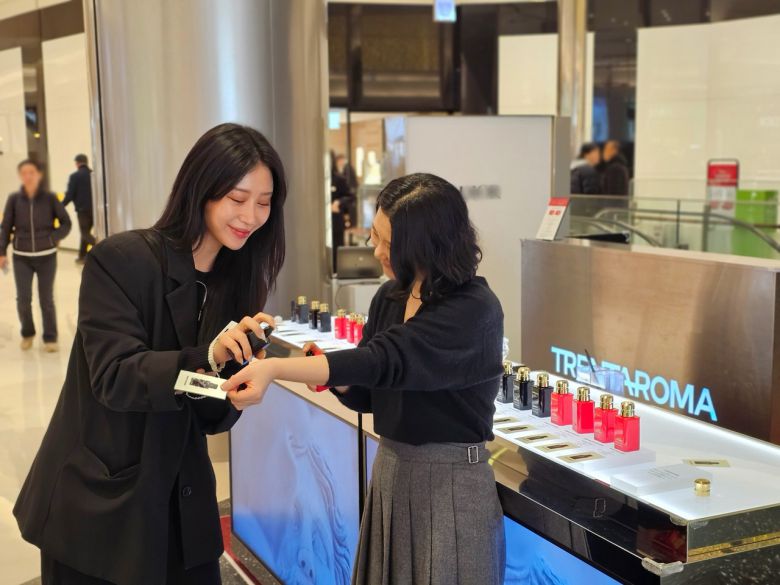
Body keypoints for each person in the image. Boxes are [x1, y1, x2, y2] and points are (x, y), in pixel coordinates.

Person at [14, 123, 287, 585]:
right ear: (201, 190)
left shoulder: (237, 282)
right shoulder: (122, 260)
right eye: (237, 199)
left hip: (185, 507)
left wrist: (235, 384)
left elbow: (208, 416)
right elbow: (115, 376)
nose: (251, 216)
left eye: (264, 203)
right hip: (102, 506)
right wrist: (207, 357)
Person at [224, 173, 506, 585]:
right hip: (392, 470)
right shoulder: (390, 297)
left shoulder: (474, 309)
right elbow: (372, 392)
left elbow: (384, 359)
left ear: (425, 244)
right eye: (375, 237)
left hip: (451, 485)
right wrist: (337, 379)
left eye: (388, 243)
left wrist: (275, 368)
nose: (376, 251)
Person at [0, 159, 71, 352]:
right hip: (21, 257)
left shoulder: (50, 198)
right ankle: (28, 333)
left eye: (31, 172)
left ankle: (50, 337)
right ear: (20, 176)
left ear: (39, 175)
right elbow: (5, 227)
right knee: (23, 299)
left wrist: (52, 238)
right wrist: (1, 252)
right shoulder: (14, 199)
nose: (28, 176)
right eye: (24, 173)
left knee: (46, 299)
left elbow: (66, 223)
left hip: (47, 256)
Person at [63, 153, 96, 263]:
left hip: (82, 210)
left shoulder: (75, 176)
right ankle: (82, 256)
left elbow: (70, 195)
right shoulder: (93, 175)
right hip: (95, 210)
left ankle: (101, 246)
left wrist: (60, 206)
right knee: (85, 233)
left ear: (77, 163)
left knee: (85, 233)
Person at [330, 152, 357, 272]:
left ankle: (337, 270)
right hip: (319, 224)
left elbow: (351, 196)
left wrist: (339, 202)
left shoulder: (339, 179)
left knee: (337, 249)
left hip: (335, 222)